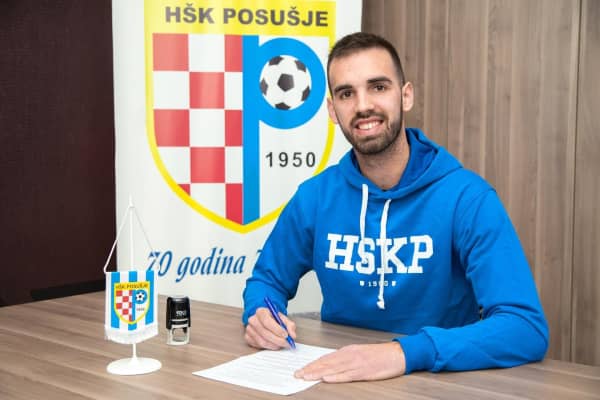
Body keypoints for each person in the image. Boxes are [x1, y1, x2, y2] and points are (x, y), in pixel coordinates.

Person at [242, 32, 549, 382]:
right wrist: (261, 314)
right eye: (346, 93)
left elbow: (525, 327)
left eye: (378, 87)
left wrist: (404, 352)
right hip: (340, 380)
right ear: (332, 110)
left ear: (405, 96)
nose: (363, 106)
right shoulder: (315, 197)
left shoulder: (467, 198)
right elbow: (266, 280)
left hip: (438, 382)